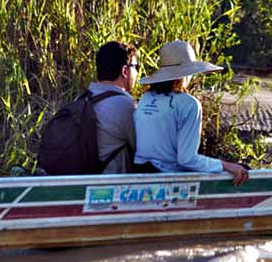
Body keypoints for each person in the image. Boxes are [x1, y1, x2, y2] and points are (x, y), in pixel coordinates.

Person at [133, 40, 249, 185]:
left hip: (137, 171)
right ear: (185, 75)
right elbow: (186, 159)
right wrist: (226, 165)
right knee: (241, 169)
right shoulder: (189, 104)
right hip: (165, 177)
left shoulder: (146, 98)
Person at [90, 41, 138, 173]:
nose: (137, 72)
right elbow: (142, 149)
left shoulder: (83, 98)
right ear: (124, 70)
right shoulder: (125, 104)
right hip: (111, 187)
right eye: (135, 66)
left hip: (82, 181)